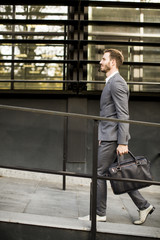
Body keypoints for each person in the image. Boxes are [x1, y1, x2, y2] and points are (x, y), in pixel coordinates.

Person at [79, 48, 155, 224]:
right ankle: (144, 206)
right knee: (116, 175)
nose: (100, 62)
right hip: (109, 136)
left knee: (98, 174)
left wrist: (122, 142)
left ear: (112, 62)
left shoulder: (117, 83)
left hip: (113, 139)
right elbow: (110, 114)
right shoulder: (111, 82)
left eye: (103, 59)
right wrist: (102, 134)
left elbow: (123, 115)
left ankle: (99, 214)